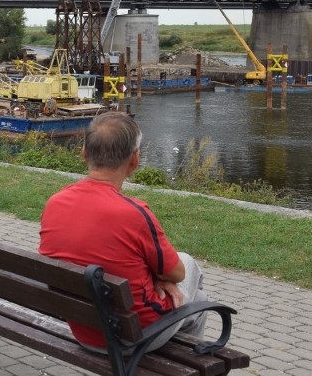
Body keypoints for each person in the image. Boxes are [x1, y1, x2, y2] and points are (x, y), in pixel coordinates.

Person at [39, 111, 206, 352]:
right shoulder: (134, 214)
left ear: (84, 153)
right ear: (135, 161)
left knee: (198, 302)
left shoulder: (55, 202)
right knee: (189, 269)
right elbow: (178, 274)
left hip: (83, 328)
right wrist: (163, 278)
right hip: (133, 337)